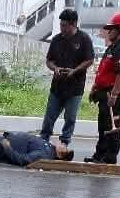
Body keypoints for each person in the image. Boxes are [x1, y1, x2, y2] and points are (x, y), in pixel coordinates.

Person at [84, 12, 120, 164]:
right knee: (103, 124)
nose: (108, 31)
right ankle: (100, 155)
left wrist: (114, 95)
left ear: (119, 31)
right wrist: (95, 88)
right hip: (105, 91)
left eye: (111, 29)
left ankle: (110, 157)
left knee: (113, 124)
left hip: (116, 92)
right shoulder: (112, 47)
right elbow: (104, 71)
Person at [41, 9, 95, 147]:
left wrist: (75, 71)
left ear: (74, 24)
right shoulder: (56, 40)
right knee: (49, 116)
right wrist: (55, 68)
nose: (62, 28)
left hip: (75, 87)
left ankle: (64, 142)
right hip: (57, 86)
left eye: (65, 25)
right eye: (61, 25)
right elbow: (49, 60)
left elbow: (89, 60)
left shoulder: (84, 39)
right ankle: (43, 139)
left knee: (70, 117)